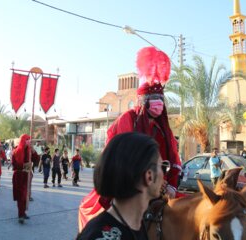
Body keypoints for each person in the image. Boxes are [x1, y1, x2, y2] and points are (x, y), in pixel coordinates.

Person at [78, 46, 182, 231]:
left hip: (160, 186)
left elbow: (173, 157)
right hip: (131, 183)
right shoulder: (128, 119)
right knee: (92, 211)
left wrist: (171, 185)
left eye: (160, 97)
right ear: (143, 100)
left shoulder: (162, 128)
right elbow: (124, 157)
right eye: (153, 97)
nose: (158, 102)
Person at [77, 132, 165, 240]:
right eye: (162, 166)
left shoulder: (136, 225)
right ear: (149, 176)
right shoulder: (99, 236)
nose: (164, 174)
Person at [11, 134, 32, 224]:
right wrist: (26, 166)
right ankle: (21, 215)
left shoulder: (28, 150)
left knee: (25, 196)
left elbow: (35, 159)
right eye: (28, 140)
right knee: (21, 196)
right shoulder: (17, 151)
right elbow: (17, 164)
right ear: (24, 141)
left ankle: (23, 212)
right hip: (19, 176)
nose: (29, 142)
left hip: (26, 175)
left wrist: (33, 152)